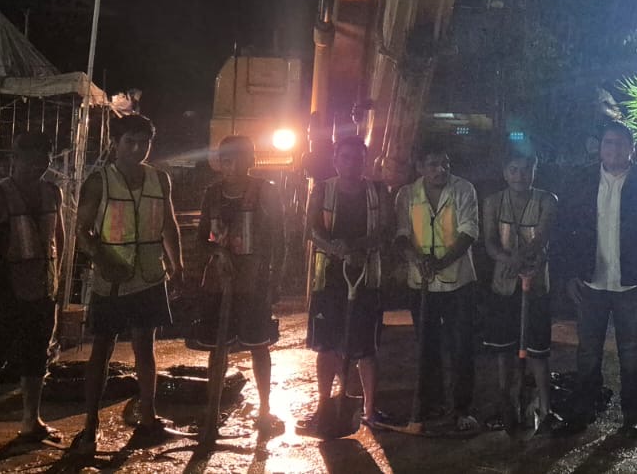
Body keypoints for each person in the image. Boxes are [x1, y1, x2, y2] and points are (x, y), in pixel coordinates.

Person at [68, 114, 185, 455]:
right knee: (102, 349)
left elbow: (169, 224)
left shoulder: (160, 179)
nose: (137, 149)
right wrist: (102, 260)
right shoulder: (99, 181)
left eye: (143, 142)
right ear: (114, 144)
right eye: (129, 142)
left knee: (146, 348)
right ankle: (90, 425)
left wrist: (177, 265)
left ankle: (149, 418)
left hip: (149, 276)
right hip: (112, 282)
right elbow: (82, 230)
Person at [554, 121, 637, 436]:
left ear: (632, 148)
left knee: (631, 352)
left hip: (632, 283)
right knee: (587, 351)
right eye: (608, 142)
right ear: (600, 147)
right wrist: (568, 274)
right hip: (590, 282)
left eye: (621, 143)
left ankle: (631, 415)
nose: (614, 149)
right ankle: (584, 410)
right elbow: (563, 229)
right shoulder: (581, 180)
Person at [0, 132, 64, 455]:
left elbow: (58, 238)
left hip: (42, 290)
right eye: (30, 160)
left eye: (43, 160)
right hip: (4, 293)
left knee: (36, 356)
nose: (37, 166)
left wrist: (55, 280)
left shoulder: (52, 192)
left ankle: (31, 421)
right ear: (15, 159)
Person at [299, 138, 394, 437]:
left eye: (358, 158)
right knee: (326, 345)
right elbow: (311, 229)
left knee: (366, 347)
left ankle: (370, 409)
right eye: (346, 157)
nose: (352, 163)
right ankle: (324, 406)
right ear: (336, 160)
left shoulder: (378, 191)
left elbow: (386, 229)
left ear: (365, 162)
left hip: (367, 278)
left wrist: (358, 247)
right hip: (329, 279)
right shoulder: (322, 189)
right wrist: (336, 249)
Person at [192, 135, 284, 437]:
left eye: (238, 159)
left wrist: (275, 280)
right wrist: (217, 254)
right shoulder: (212, 194)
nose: (232, 166)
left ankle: (265, 409)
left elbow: (278, 239)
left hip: (254, 283)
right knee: (217, 348)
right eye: (226, 160)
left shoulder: (266, 191)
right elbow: (201, 239)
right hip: (218, 282)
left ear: (250, 161)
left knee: (259, 346)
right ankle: (213, 410)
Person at [395, 138, 481, 432]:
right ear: (420, 167)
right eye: (433, 164)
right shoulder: (407, 195)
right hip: (421, 283)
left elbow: (469, 233)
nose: (440, 169)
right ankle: (431, 404)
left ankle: (462, 409)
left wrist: (441, 263)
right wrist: (417, 260)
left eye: (445, 163)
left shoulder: (464, 189)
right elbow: (402, 235)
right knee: (427, 346)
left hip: (459, 282)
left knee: (461, 346)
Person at [479, 151, 558, 432]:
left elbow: (542, 238)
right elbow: (490, 242)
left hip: (536, 284)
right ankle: (506, 402)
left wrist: (520, 260)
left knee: (538, 350)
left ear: (534, 171)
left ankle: (545, 409)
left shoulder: (547, 200)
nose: (520, 176)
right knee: (503, 348)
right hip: (503, 285)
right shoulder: (492, 202)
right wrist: (508, 259)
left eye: (526, 170)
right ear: (505, 172)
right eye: (513, 170)